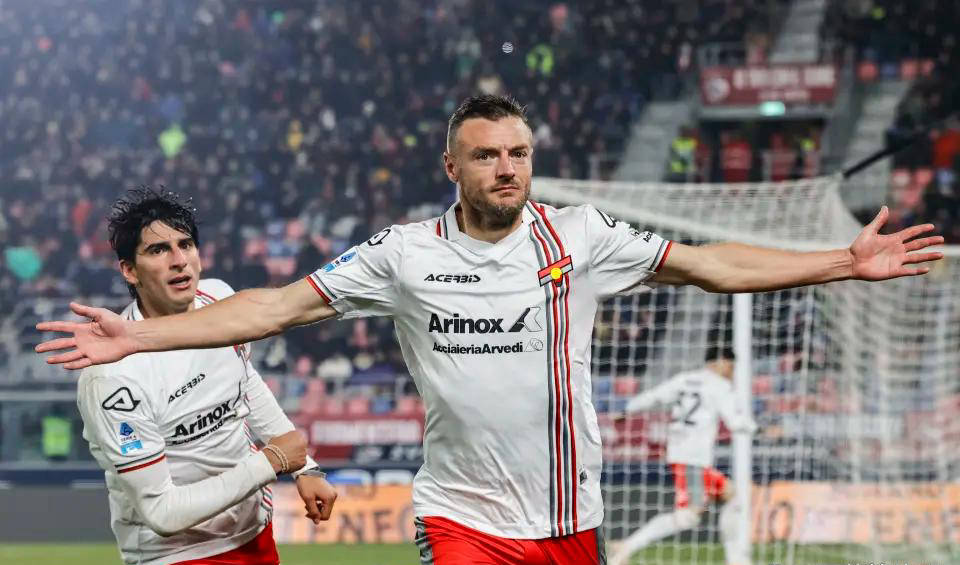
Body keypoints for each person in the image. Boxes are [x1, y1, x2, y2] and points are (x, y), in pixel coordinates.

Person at [37, 95, 943, 565]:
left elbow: (713, 264)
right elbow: (271, 307)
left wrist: (840, 260)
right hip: (461, 517)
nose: (507, 168)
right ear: (452, 165)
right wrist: (138, 339)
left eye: (518, 152)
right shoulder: (403, 254)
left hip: (571, 517)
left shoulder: (580, 235)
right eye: (486, 154)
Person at [73, 188, 337, 565]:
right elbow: (162, 513)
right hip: (178, 553)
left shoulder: (219, 299)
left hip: (256, 534)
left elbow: (245, 383)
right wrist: (272, 461)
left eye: (185, 245)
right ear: (129, 270)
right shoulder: (113, 378)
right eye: (158, 250)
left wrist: (305, 468)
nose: (179, 261)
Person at [609, 347, 755, 565]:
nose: (732, 372)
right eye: (731, 367)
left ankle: (737, 561)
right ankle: (627, 546)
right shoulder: (719, 385)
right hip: (695, 459)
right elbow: (735, 422)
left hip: (679, 452)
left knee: (731, 495)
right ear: (722, 362)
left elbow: (654, 396)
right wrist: (758, 428)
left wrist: (627, 409)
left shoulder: (684, 379)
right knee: (688, 516)